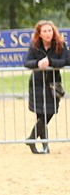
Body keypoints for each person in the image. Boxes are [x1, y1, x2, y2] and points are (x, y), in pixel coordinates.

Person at [22, 20, 67, 155]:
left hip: (53, 85)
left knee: (49, 113)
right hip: (37, 84)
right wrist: (38, 63)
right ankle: (45, 146)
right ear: (40, 34)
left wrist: (50, 62)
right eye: (45, 31)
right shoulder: (34, 46)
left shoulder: (60, 44)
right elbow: (26, 62)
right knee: (40, 114)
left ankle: (31, 138)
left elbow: (66, 60)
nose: (48, 33)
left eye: (50, 30)